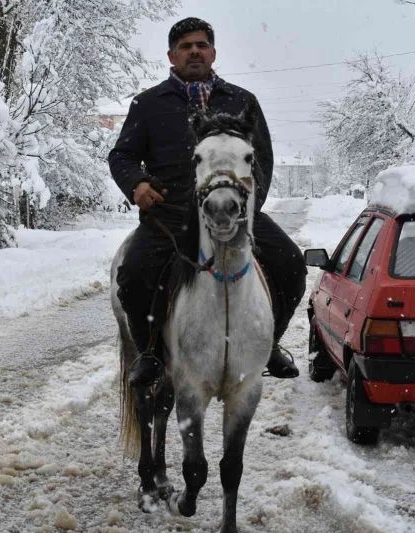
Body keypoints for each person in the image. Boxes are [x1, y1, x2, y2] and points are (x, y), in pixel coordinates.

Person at [109, 17, 307, 387]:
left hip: (233, 215)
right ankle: (149, 353)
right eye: (185, 46)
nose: (194, 51)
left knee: (292, 265)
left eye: (201, 45)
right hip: (168, 218)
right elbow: (121, 156)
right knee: (133, 277)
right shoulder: (148, 104)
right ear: (171, 55)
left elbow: (261, 160)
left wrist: (246, 210)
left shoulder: (241, 101)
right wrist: (136, 185)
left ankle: (270, 344)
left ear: (213, 52)